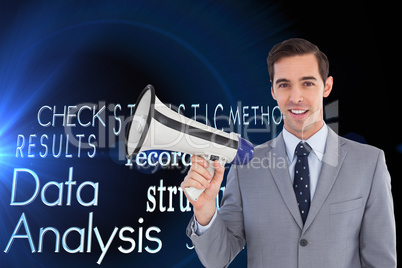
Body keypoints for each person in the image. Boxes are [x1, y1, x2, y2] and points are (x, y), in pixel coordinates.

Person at [181, 38, 396, 267]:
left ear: (327, 86)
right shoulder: (246, 165)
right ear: (273, 90)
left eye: (308, 83)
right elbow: (218, 259)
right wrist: (205, 211)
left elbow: (381, 261)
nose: (296, 98)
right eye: (284, 85)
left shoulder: (369, 162)